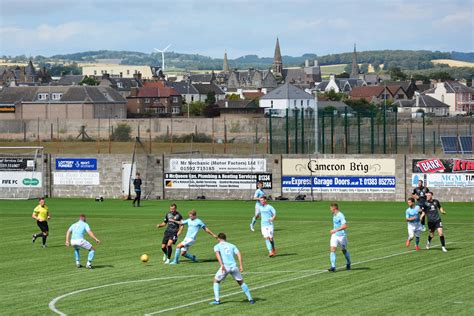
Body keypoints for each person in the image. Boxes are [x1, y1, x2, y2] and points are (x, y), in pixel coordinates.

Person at [210, 232, 255, 305]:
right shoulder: (232, 245)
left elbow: (217, 255)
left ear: (218, 238)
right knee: (241, 283)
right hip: (234, 267)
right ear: (225, 238)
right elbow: (239, 254)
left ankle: (217, 300)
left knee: (216, 281)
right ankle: (251, 299)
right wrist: (241, 265)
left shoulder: (217, 246)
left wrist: (222, 265)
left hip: (225, 267)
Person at [328, 203, 351, 272]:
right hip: (335, 235)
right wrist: (334, 231)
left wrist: (335, 230)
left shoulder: (341, 215)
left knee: (343, 250)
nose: (330, 210)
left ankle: (348, 262)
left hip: (342, 236)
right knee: (332, 249)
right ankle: (333, 266)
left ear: (334, 209)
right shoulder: (334, 215)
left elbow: (344, 226)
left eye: (331, 209)